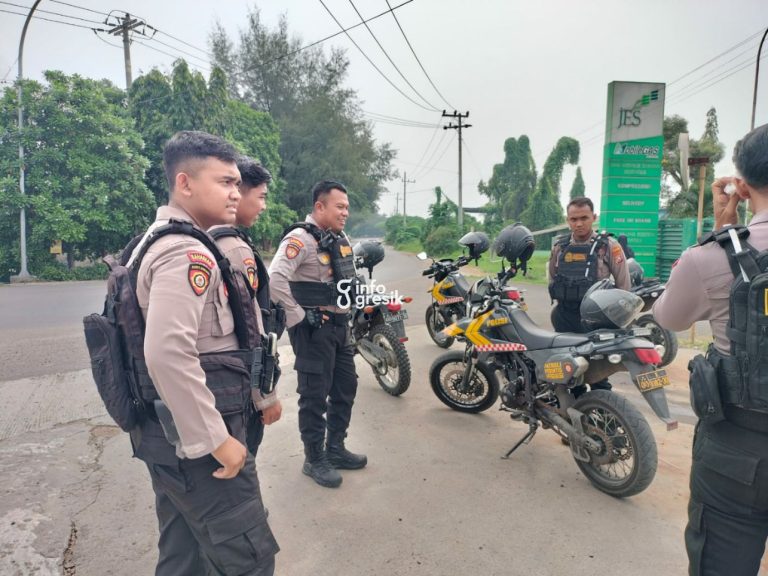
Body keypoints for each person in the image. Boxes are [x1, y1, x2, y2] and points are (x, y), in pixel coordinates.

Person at [132, 131, 278, 575]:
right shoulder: (184, 251)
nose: (235, 192)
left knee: (184, 555)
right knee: (249, 558)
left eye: (237, 183)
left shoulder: (160, 239)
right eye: (224, 182)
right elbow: (168, 353)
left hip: (169, 433)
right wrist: (215, 440)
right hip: (198, 441)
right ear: (185, 183)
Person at [653, 123, 768, 576]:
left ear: (742, 186)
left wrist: (722, 229)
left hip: (736, 456)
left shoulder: (709, 258)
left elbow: (669, 318)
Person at [268, 180, 364, 489]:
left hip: (340, 327)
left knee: (345, 387)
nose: (345, 212)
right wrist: (298, 316)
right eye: (340, 207)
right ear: (319, 206)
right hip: (313, 330)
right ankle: (314, 459)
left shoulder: (338, 238)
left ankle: (335, 448)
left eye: (347, 207)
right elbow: (275, 280)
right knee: (314, 396)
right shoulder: (300, 239)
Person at [210, 156, 283, 457]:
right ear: (238, 193)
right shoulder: (234, 248)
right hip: (235, 387)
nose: (263, 206)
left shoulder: (198, 236)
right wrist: (266, 397)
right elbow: (252, 330)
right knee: (243, 463)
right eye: (261, 196)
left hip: (210, 383)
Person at [548, 196, 631, 334]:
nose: (579, 224)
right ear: (568, 220)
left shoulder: (609, 246)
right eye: (574, 219)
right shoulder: (560, 246)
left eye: (584, 218)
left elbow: (624, 287)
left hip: (597, 319)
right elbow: (552, 279)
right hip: (564, 316)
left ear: (594, 218)